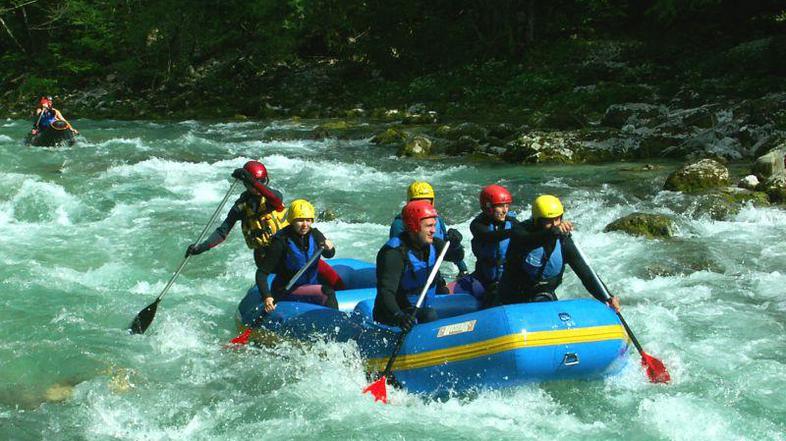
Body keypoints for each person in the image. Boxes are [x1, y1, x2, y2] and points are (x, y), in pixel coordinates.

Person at [497, 195, 621, 311]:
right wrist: (553, 231)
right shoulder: (520, 231)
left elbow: (585, 273)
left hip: (543, 296)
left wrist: (607, 297)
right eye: (549, 221)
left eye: (557, 219)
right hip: (512, 297)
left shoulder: (563, 240)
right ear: (537, 221)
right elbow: (528, 240)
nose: (555, 224)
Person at [373, 200, 462, 331]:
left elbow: (457, 256)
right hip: (394, 317)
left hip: (420, 311)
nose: (433, 231)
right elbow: (386, 293)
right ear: (414, 226)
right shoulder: (394, 254)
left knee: (429, 313)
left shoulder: (434, 245)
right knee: (429, 315)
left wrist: (456, 244)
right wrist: (399, 316)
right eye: (429, 226)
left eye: (434, 226)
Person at [185, 160, 287, 266]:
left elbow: (273, 198)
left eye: (262, 181)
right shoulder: (241, 206)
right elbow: (222, 232)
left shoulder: (274, 197)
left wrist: (251, 180)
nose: (258, 186)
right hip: (263, 255)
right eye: (255, 182)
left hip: (285, 250)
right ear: (246, 184)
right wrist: (202, 247)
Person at [255, 199, 338, 313]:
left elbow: (329, 254)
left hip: (310, 285)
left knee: (327, 287)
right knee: (327, 292)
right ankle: (336, 326)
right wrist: (267, 296)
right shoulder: (281, 241)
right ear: (292, 221)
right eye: (300, 220)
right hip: (286, 289)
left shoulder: (315, 234)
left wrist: (330, 247)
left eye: (308, 220)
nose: (305, 225)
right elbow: (261, 273)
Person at [389, 181, 468, 279]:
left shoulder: (437, 221)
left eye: (426, 203)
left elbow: (446, 248)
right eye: (418, 203)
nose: (422, 206)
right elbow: (396, 256)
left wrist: (463, 268)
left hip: (431, 273)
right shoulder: (399, 224)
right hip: (409, 275)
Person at [455, 184, 517, 306]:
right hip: (484, 278)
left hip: (506, 278)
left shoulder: (512, 223)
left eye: (507, 206)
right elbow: (489, 237)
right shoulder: (477, 225)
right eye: (500, 206)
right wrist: (514, 232)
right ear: (488, 207)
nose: (505, 210)